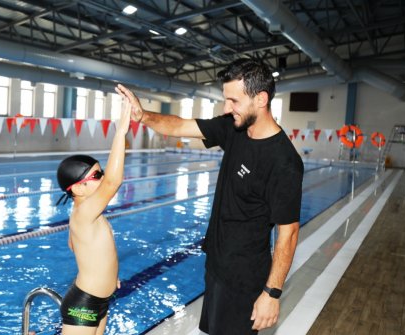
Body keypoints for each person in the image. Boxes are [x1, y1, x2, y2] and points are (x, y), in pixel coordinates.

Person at [116, 58, 303, 334]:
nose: (227, 108)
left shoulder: (283, 161)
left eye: (234, 101)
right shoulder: (234, 128)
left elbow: (288, 234)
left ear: (261, 99)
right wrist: (143, 116)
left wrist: (271, 294)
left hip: (243, 279)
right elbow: (180, 126)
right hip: (216, 265)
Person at [55, 87, 131, 335]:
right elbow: (113, 182)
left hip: (99, 300)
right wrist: (121, 131)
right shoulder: (85, 212)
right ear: (78, 189)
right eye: (97, 175)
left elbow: (75, 245)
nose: (103, 177)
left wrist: (106, 276)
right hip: (84, 304)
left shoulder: (84, 214)